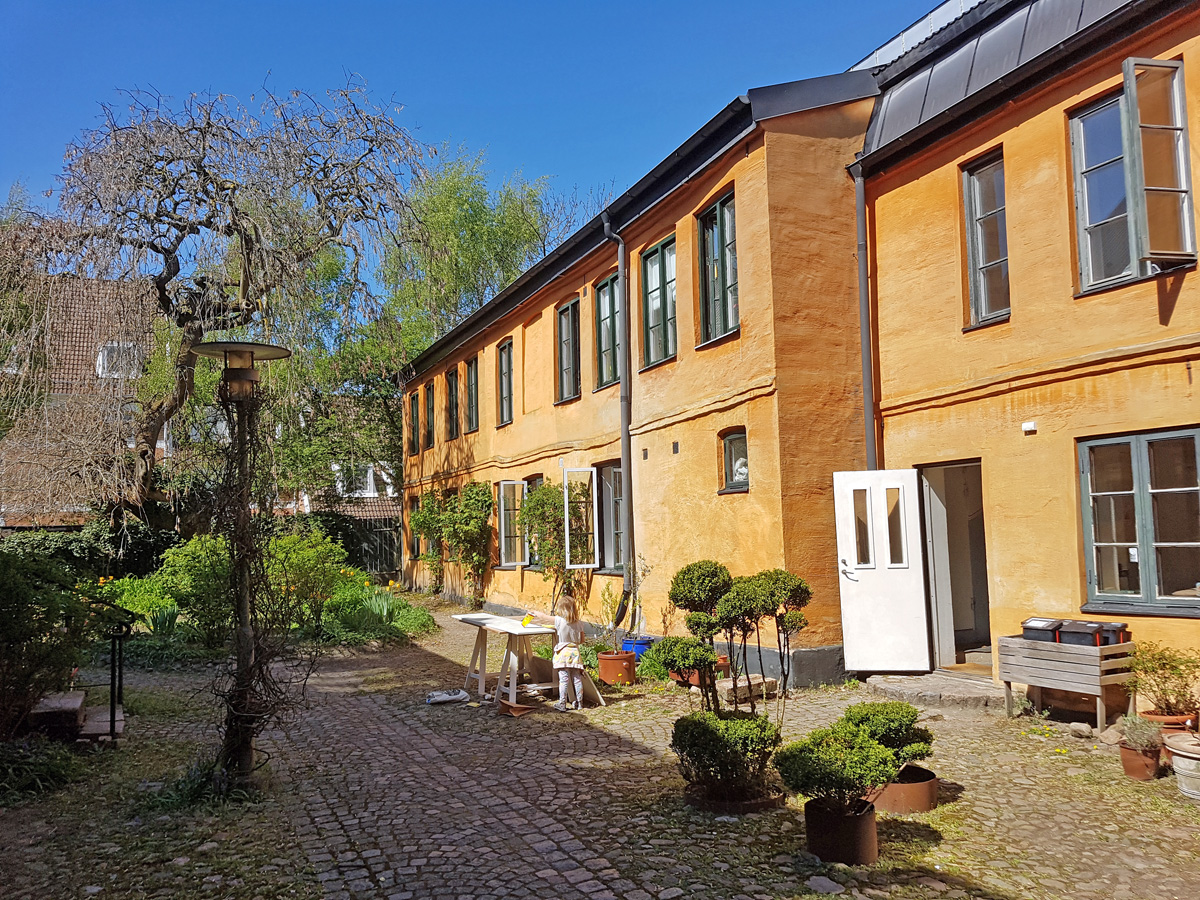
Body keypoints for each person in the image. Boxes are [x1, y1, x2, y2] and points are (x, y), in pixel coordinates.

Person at [544, 589, 585, 711]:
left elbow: (545, 618)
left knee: (564, 679)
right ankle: (580, 702)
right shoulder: (579, 623)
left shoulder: (559, 620)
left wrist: (534, 614)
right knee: (577, 678)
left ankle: (562, 703)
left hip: (563, 652)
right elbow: (582, 640)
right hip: (575, 653)